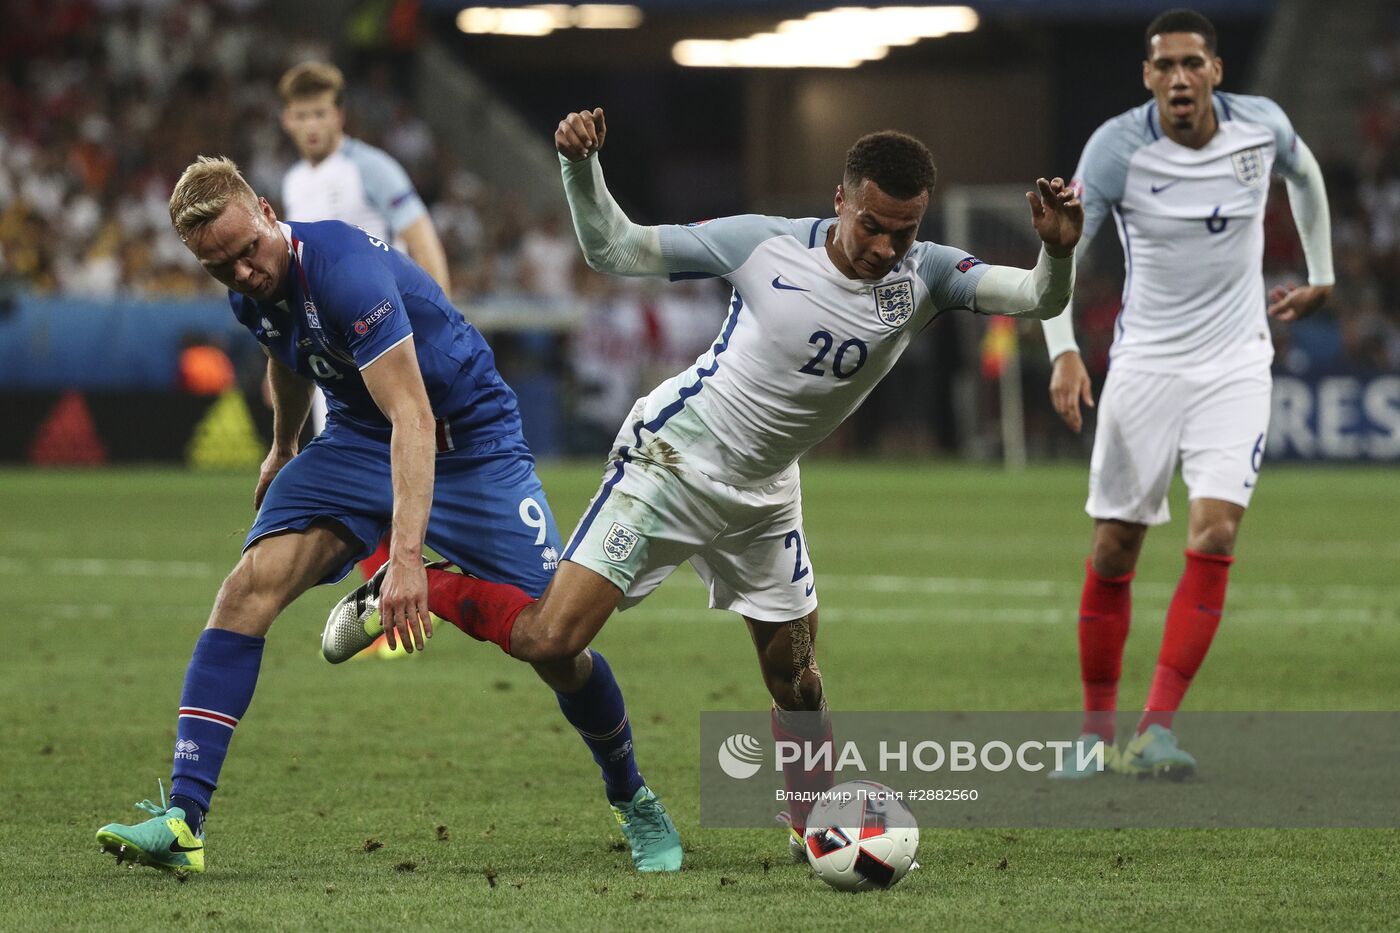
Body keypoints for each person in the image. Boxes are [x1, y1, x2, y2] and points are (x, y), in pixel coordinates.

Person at [327, 106, 1083, 854]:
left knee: (797, 678)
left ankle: (814, 825)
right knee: (550, 640)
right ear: (841, 201)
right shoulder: (764, 245)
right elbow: (614, 249)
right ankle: (421, 581)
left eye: (905, 231)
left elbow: (1038, 297)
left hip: (766, 493)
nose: (887, 247)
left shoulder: (931, 275)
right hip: (674, 463)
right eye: (873, 226)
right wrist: (580, 167)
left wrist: (1056, 253)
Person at [94, 156, 680, 876]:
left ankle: (634, 796)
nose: (244, 272)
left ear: (269, 213)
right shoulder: (251, 293)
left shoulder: (344, 271)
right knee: (246, 590)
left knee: (552, 643)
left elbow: (414, 416)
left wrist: (405, 563)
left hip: (469, 444)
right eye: (222, 267)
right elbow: (284, 349)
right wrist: (282, 447)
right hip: (358, 441)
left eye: (248, 250)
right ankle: (185, 820)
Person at [1039, 9, 1334, 779]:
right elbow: (1061, 254)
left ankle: (1154, 731)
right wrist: (1065, 349)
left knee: (1215, 535)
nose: (1178, 77)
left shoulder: (1261, 127)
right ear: (1147, 77)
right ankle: (1093, 734)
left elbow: (1306, 175)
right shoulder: (1115, 148)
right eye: (1164, 65)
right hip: (1145, 367)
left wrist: (1322, 270)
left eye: (1191, 63)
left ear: (1216, 70)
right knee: (1115, 546)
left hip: (1237, 362)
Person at [279, 60, 453, 654]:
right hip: (337, 358)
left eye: (320, 112)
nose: (311, 125)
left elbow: (422, 238)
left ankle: (408, 602)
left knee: (391, 471)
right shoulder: (294, 182)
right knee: (365, 482)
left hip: (387, 341)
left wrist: (443, 331)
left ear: (340, 114)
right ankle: (385, 615)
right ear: (286, 120)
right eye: (300, 115)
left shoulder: (371, 168)